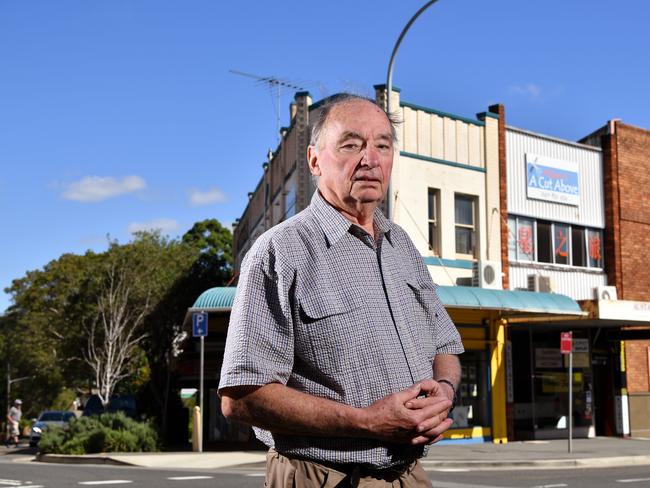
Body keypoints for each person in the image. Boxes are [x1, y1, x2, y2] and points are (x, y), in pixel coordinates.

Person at [219, 93, 464, 487]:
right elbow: (241, 398)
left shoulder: (403, 246)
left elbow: (445, 345)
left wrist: (444, 392)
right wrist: (367, 422)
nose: (370, 158)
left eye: (382, 145)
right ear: (315, 160)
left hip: (409, 475)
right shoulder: (278, 252)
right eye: (351, 144)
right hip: (322, 477)